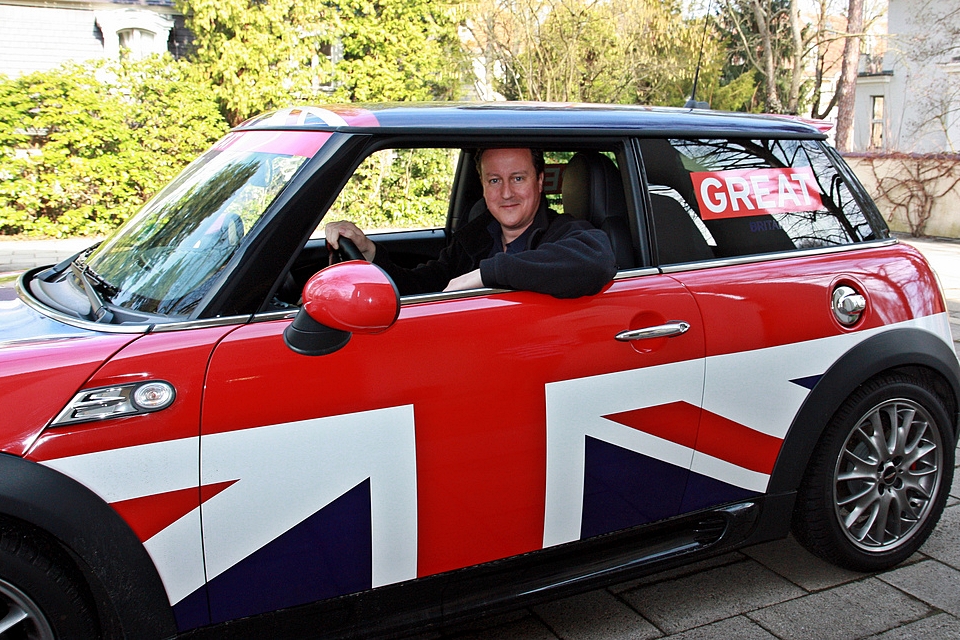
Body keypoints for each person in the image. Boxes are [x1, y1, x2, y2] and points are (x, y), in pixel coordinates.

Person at [324, 148, 617, 299]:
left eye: (518, 178)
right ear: (483, 185)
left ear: (540, 182)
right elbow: (423, 289)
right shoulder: (474, 237)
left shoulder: (565, 232)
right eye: (494, 180)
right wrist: (370, 253)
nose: (506, 193)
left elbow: (597, 261)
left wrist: (485, 274)